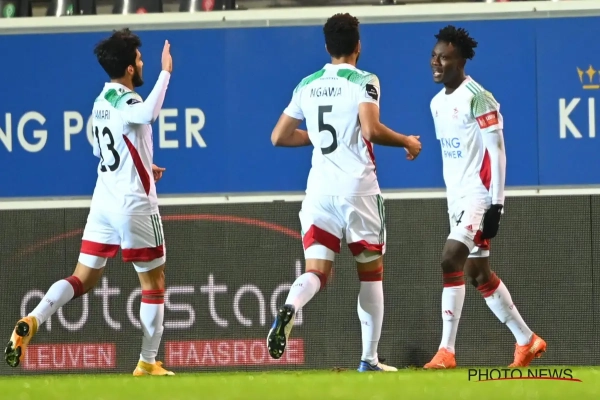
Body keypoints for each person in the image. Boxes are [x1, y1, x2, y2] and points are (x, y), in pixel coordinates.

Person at [5, 28, 175, 377]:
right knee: (154, 283)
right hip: (134, 205)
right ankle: (147, 361)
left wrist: (145, 165)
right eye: (140, 59)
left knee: (82, 277)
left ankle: (34, 318)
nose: (143, 64)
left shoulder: (100, 103)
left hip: (104, 202)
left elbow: (105, 150)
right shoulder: (129, 101)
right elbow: (146, 115)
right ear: (130, 69)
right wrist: (166, 73)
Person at [267, 13, 422, 372]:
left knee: (317, 271)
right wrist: (406, 141)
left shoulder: (307, 84)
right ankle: (369, 358)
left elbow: (278, 136)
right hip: (358, 190)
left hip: (319, 192)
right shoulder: (364, 80)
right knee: (370, 273)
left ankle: (291, 305)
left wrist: (320, 139)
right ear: (358, 46)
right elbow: (370, 129)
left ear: (327, 47)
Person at [425, 25, 546, 369]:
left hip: (479, 197)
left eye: (444, 57)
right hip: (456, 199)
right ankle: (527, 340)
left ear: (461, 61)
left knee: (450, 260)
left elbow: (497, 151)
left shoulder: (479, 97)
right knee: (478, 273)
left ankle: (446, 351)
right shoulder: (436, 103)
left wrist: (497, 204)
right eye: (434, 56)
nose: (436, 62)